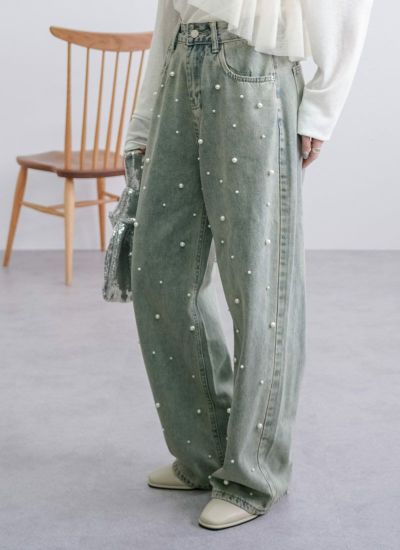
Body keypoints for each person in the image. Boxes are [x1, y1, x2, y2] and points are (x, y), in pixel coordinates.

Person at [107, 0, 374, 531]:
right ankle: (203, 453)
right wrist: (144, 118)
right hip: (181, 67)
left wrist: (323, 106)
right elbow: (170, 13)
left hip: (254, 70)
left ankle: (255, 474)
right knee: (159, 272)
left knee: (260, 284)